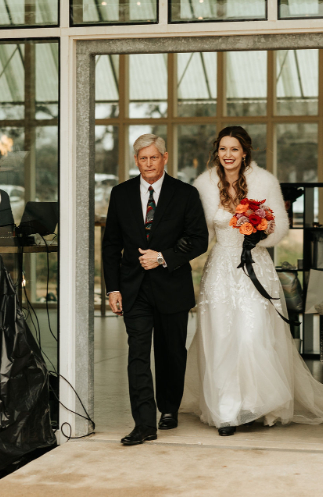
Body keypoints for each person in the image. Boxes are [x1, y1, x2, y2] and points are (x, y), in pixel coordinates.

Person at [182, 125, 323, 436]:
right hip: (221, 268)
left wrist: (259, 231)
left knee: (253, 335)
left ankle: (255, 404)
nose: (228, 155)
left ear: (245, 151)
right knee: (221, 337)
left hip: (255, 266)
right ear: (217, 151)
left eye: (234, 149)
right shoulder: (204, 184)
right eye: (223, 149)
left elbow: (279, 226)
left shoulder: (264, 181)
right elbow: (200, 231)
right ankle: (227, 410)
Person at [101, 134, 209, 446]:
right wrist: (113, 289)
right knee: (137, 354)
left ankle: (169, 408)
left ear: (164, 158)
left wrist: (162, 257)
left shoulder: (185, 194)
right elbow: (110, 246)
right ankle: (144, 423)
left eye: (154, 158)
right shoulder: (120, 194)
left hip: (172, 285)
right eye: (142, 158)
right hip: (133, 289)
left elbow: (198, 238)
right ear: (136, 160)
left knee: (171, 353)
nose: (148, 164)